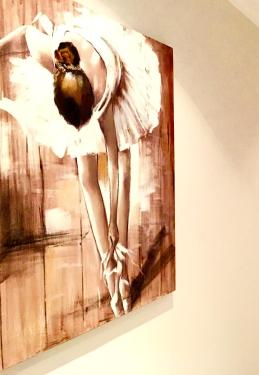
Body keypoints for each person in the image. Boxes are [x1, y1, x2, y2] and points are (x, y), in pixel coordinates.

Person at [0, 9, 162, 316]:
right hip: (72, 70)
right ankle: (109, 269)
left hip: (107, 66)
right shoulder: (45, 54)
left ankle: (123, 268)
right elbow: (23, 32)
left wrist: (114, 221)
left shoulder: (106, 87)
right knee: (86, 173)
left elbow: (114, 168)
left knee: (124, 173)